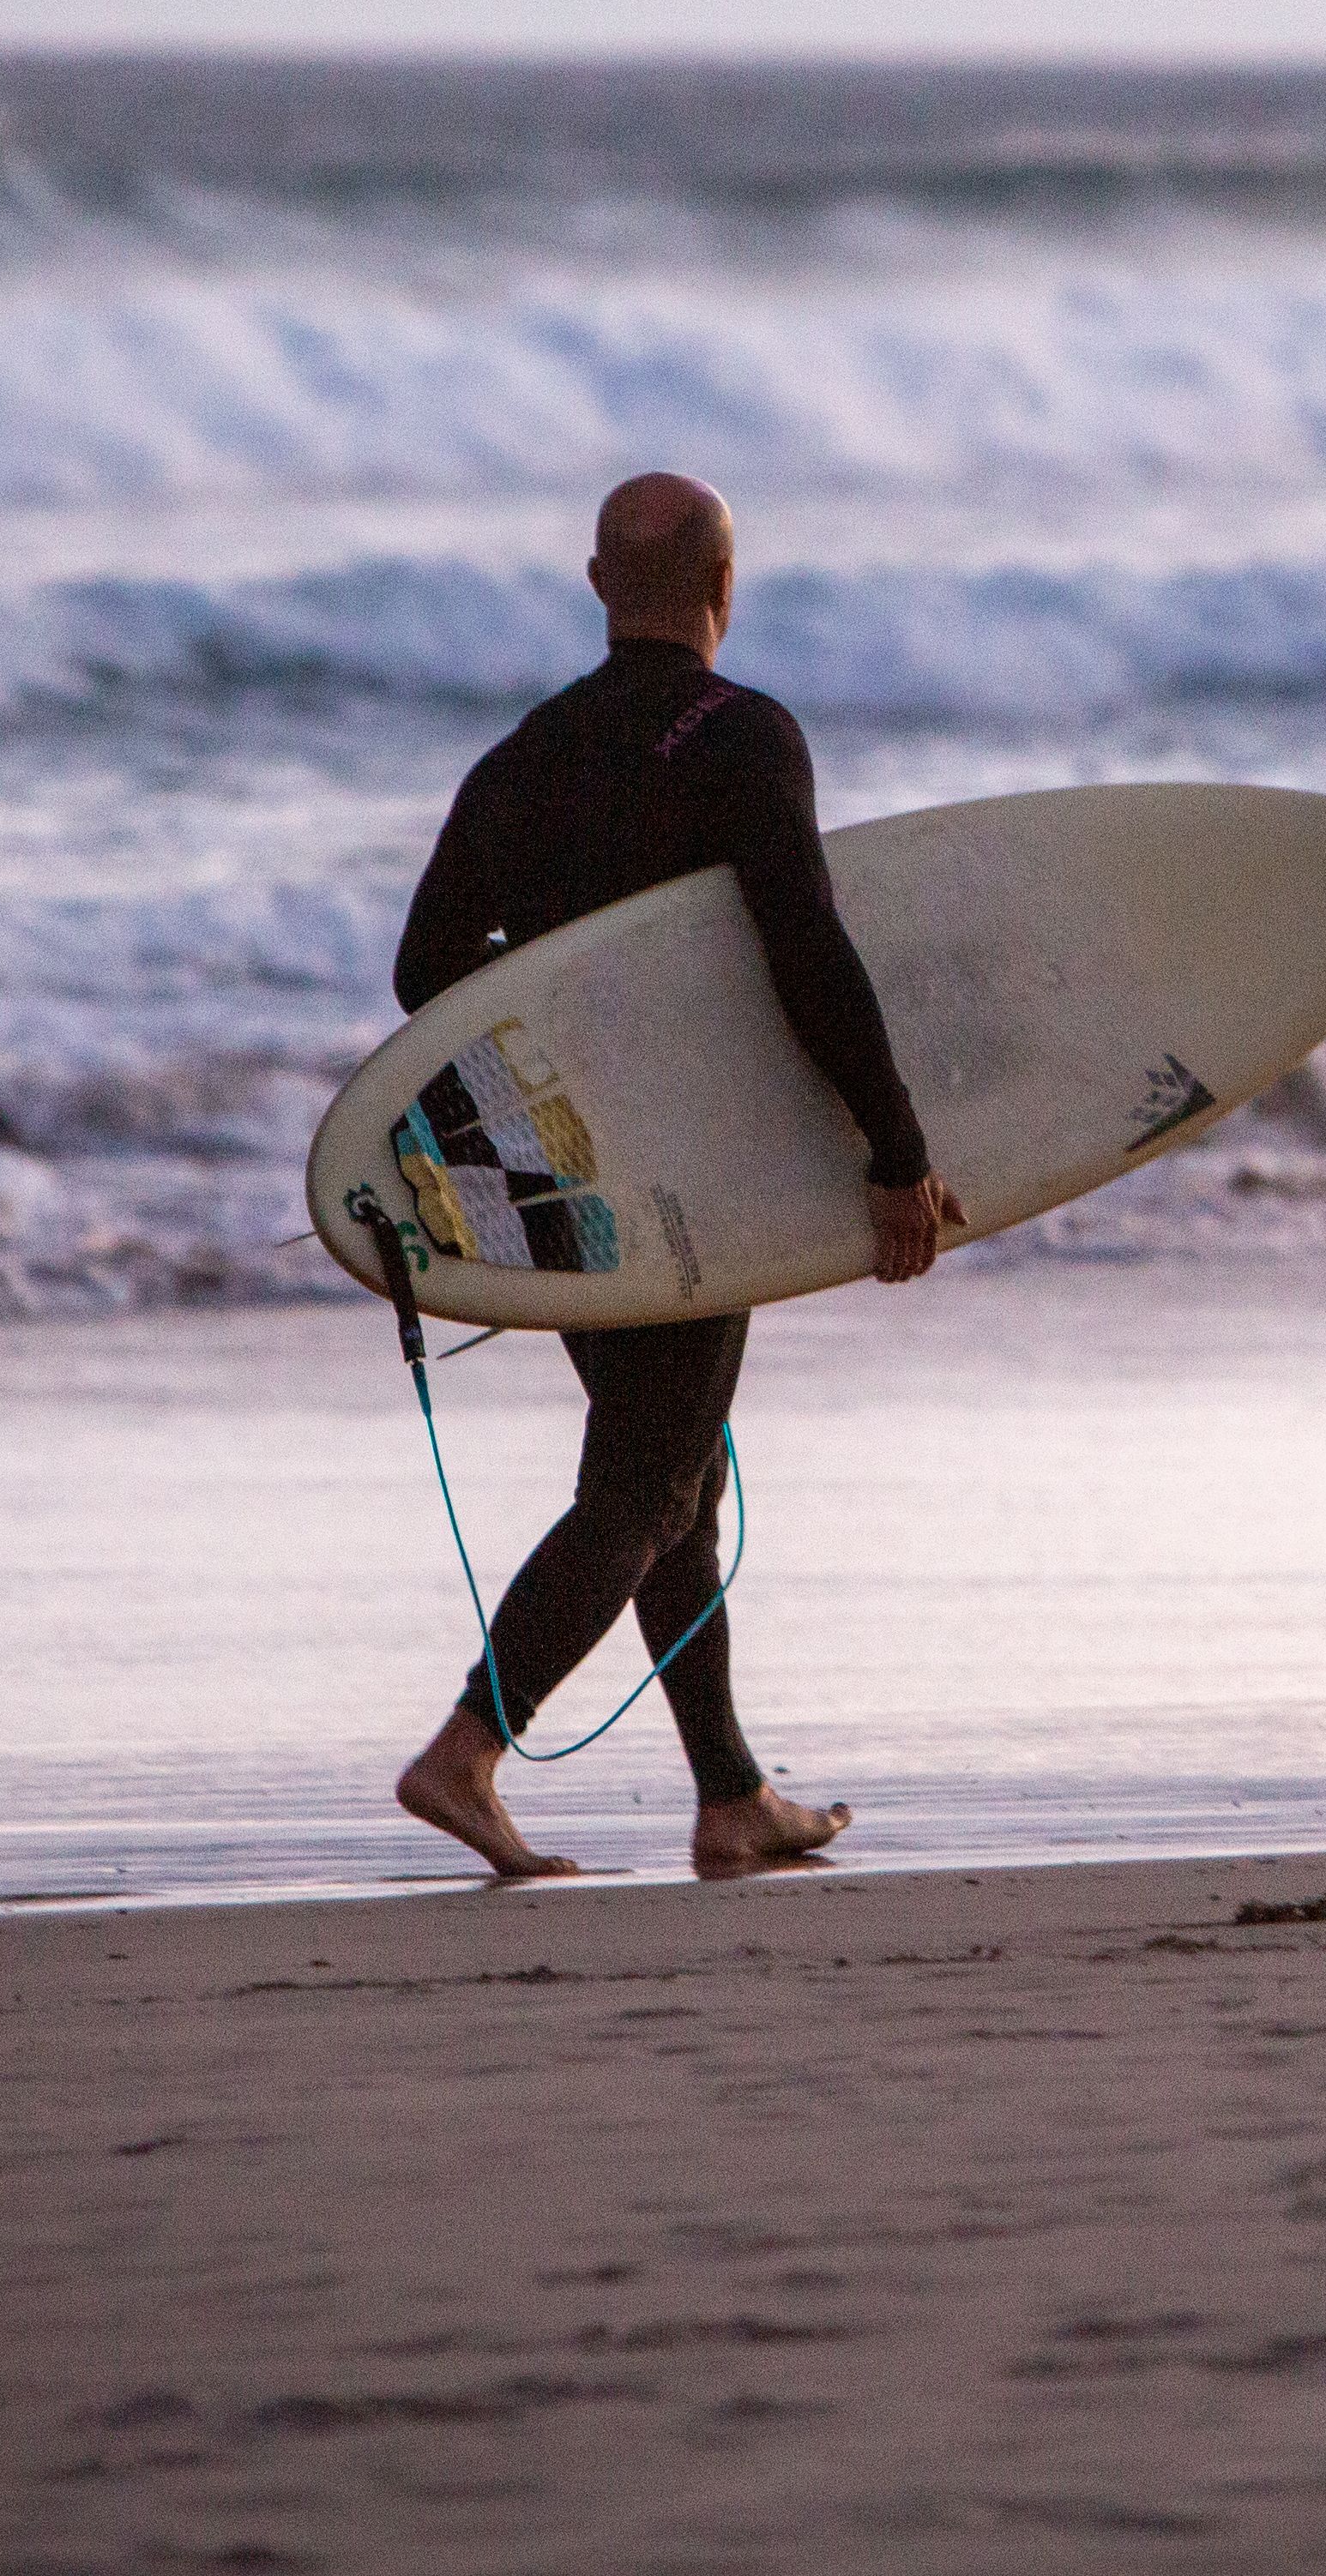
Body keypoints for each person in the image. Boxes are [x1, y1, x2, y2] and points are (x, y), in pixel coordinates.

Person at [384, 472, 964, 1883]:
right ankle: (467, 1751)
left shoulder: (518, 760)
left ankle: (729, 1797)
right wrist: (895, 1152)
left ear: (596, 586)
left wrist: (567, 1083)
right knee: (647, 1489)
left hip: (573, 1177)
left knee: (673, 1477)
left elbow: (424, 977)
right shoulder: (739, 736)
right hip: (692, 1170)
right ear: (726, 584)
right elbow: (806, 952)